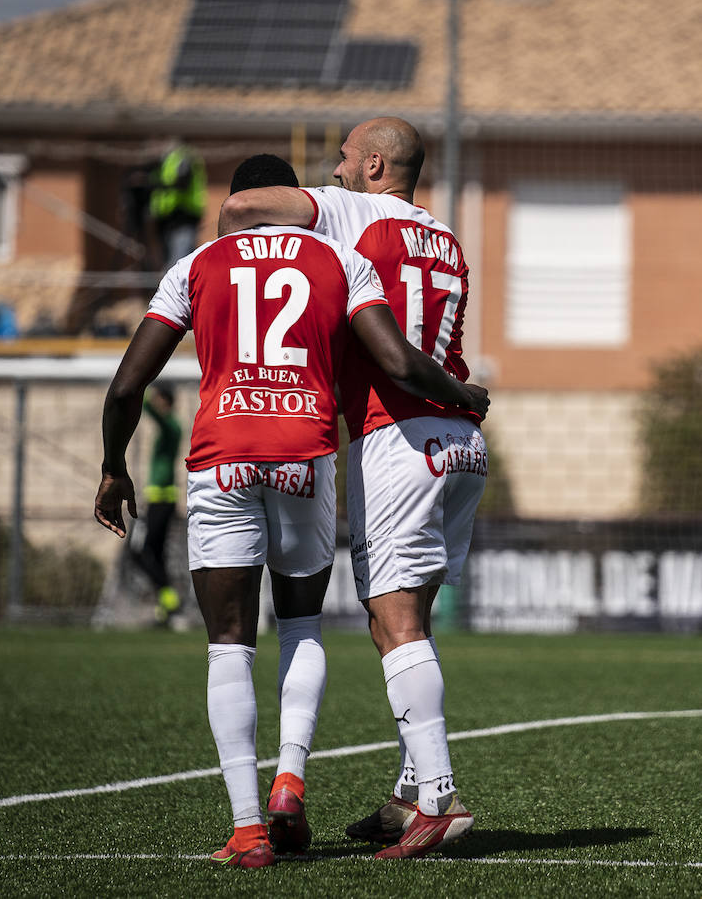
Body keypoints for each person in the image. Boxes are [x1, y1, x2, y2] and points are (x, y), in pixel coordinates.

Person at [95, 154, 488, 869]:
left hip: (222, 454)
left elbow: (127, 386)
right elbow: (396, 358)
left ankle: (248, 831)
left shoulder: (197, 263)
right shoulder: (340, 259)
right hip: (308, 449)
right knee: (303, 622)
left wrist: (112, 467)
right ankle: (291, 782)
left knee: (229, 645)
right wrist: (462, 394)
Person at [220, 116, 486, 859]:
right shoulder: (448, 237)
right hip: (460, 439)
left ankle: (438, 800)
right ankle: (408, 795)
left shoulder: (354, 211)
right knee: (409, 624)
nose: (330, 172)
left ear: (374, 166)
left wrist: (227, 279)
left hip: (398, 432)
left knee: (394, 621)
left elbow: (244, 210)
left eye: (341, 160)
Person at [131, 382, 184, 625]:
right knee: (156, 554)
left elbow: (152, 414)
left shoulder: (172, 425)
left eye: (157, 398)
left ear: (165, 401)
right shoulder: (171, 427)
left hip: (162, 499)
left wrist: (135, 388)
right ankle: (165, 605)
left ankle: (169, 596)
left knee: (141, 552)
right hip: (159, 499)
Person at [151, 140, 207, 270]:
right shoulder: (165, 160)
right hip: (166, 218)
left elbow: (183, 181)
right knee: (170, 263)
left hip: (183, 216)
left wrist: (158, 185)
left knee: (178, 264)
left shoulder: (183, 156)